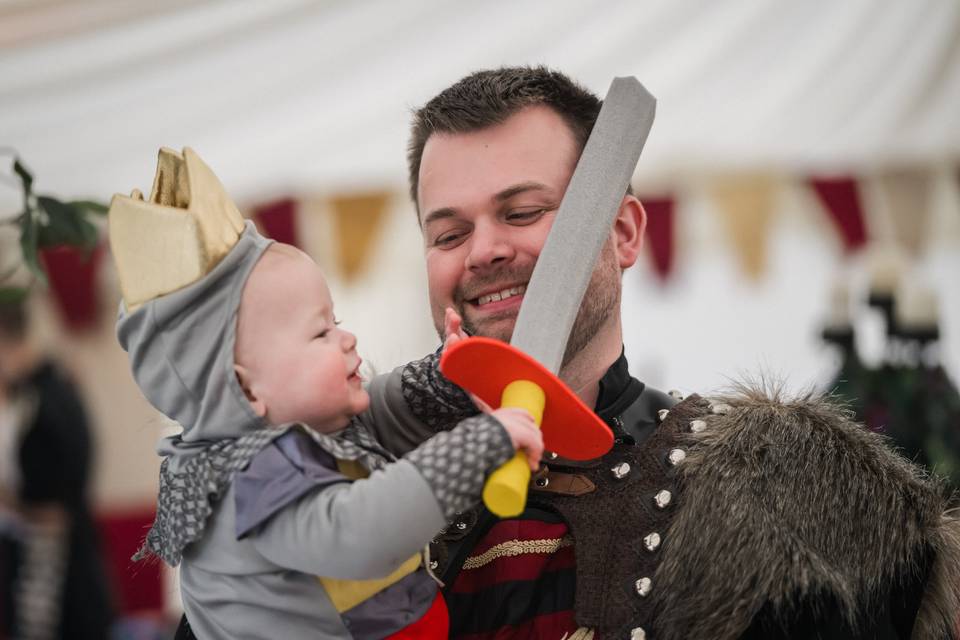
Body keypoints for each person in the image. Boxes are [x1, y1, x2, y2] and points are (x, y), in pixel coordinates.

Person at [361, 66, 960, 639]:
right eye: (449, 234)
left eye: (522, 212)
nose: (483, 250)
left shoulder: (776, 508)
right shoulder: (347, 489)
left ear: (622, 233)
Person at [111, 148, 544, 640]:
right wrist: (483, 442)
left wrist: (449, 375)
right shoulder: (253, 477)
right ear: (246, 387)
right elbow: (357, 532)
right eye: (320, 333)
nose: (347, 338)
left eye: (335, 322)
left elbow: (378, 409)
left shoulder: (299, 429)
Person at [0, 297, 115, 639]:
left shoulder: (42, 402)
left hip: (53, 563)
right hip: (59, 553)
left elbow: (54, 508)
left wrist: (10, 502)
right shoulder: (55, 389)